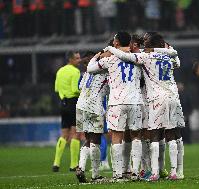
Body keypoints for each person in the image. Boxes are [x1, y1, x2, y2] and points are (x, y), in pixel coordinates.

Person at [104, 33, 181, 181]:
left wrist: (109, 49)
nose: (141, 44)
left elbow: (127, 58)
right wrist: (165, 48)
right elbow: (176, 59)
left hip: (151, 100)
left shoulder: (143, 57)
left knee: (152, 136)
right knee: (169, 135)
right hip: (169, 97)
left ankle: (152, 171)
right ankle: (171, 171)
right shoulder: (166, 56)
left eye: (145, 41)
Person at [87, 32, 144, 181]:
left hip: (117, 102)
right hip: (136, 101)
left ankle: (118, 174)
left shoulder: (110, 59)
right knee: (136, 136)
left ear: (116, 43)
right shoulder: (138, 57)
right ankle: (135, 172)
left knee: (116, 137)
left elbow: (90, 69)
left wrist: (99, 55)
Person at [75, 51, 109, 182]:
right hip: (94, 106)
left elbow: (80, 87)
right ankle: (95, 175)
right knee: (96, 140)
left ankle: (81, 168)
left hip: (81, 105)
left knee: (88, 139)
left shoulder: (88, 71)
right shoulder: (108, 70)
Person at [53, 51, 81, 172]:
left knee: (64, 134)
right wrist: (84, 92)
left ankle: (56, 163)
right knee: (75, 134)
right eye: (77, 58)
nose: (79, 60)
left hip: (63, 103)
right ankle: (73, 165)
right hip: (73, 103)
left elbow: (56, 88)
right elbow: (75, 89)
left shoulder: (60, 71)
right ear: (70, 59)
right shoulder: (75, 72)